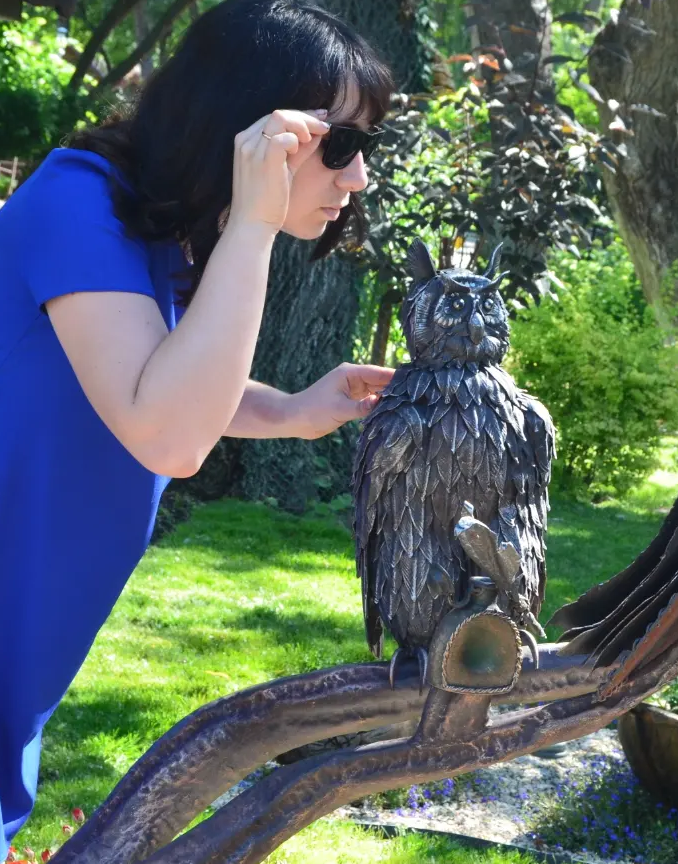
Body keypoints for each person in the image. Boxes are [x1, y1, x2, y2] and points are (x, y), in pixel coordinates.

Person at [0, 0, 395, 854]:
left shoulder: (160, 235)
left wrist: (289, 411)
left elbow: (157, 380)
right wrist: (252, 225)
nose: (358, 177)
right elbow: (167, 433)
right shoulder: (78, 201)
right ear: (247, 121)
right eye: (341, 143)